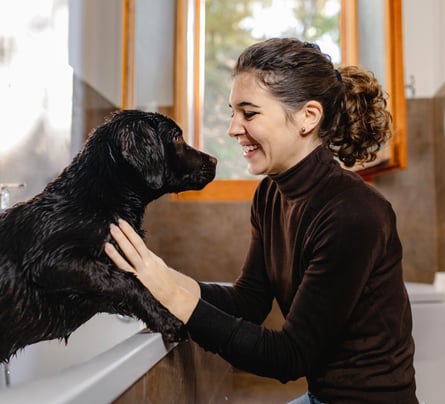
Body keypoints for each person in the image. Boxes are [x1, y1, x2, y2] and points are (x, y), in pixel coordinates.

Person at [105, 37, 417, 404]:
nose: (233, 129)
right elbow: (248, 301)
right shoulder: (270, 195)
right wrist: (156, 274)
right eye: (233, 112)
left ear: (308, 117)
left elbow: (289, 356)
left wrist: (175, 296)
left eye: (249, 113)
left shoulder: (354, 212)